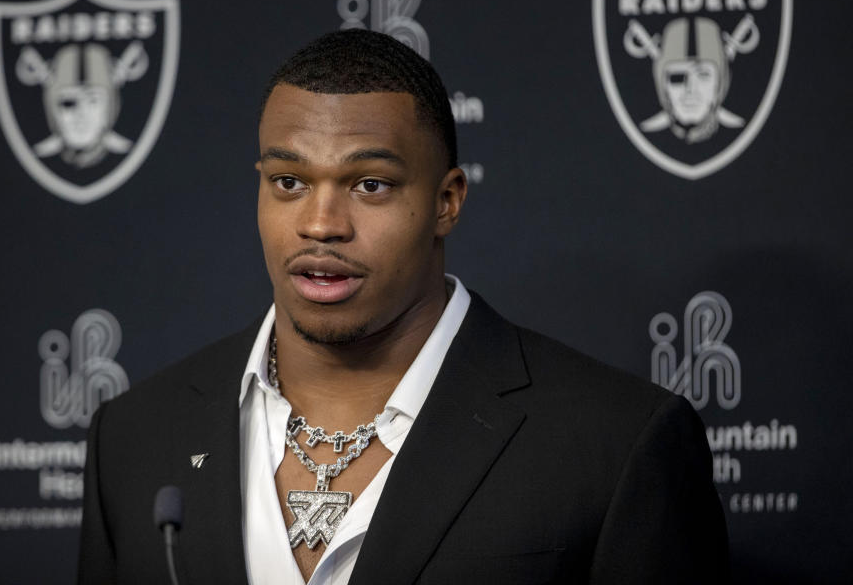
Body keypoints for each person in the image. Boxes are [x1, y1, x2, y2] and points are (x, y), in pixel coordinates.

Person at [78, 29, 729, 584]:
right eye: (289, 182)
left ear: (447, 201)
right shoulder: (134, 439)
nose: (321, 224)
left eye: (369, 184)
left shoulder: (616, 444)